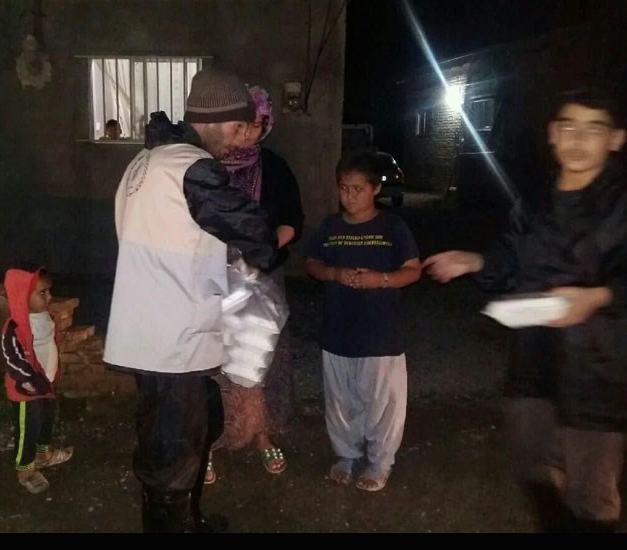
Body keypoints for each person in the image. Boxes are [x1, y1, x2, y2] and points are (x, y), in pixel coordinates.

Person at [423, 85, 627, 532]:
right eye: (569, 126)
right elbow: (511, 256)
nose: (578, 139)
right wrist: (476, 261)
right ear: (553, 133)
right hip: (533, 365)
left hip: (598, 375)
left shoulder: (620, 205)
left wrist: (598, 297)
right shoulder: (536, 200)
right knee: (533, 473)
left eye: (594, 129)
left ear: (616, 139)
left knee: (591, 498)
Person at [103, 68, 279, 533]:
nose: (239, 140)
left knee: (194, 431)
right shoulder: (192, 168)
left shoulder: (148, 161)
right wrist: (265, 244)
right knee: (171, 454)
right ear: (219, 120)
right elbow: (254, 232)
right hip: (170, 341)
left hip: (160, 331)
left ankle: (190, 522)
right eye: (239, 128)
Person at [304, 151, 421, 492]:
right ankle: (346, 455)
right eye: (344, 188)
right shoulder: (330, 226)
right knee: (341, 400)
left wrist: (381, 280)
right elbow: (311, 263)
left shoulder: (393, 227)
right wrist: (334, 273)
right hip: (338, 330)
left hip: (381, 334)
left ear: (375, 189)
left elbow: (413, 270)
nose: (350, 196)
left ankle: (380, 462)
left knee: (383, 402)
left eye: (358, 189)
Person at [206, 85, 304, 484]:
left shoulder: (274, 167)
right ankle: (208, 441)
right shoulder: (207, 166)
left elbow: (292, 220)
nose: (248, 132)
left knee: (261, 354)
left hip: (262, 275)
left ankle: (263, 434)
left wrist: (260, 250)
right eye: (243, 123)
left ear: (267, 125)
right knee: (214, 357)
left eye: (257, 124)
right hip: (214, 275)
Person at [0, 265, 73, 494]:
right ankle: (25, 469)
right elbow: (10, 358)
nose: (49, 297)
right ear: (23, 295)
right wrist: (30, 378)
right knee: (29, 427)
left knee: (46, 419)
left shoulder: (44, 317)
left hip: (46, 384)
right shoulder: (15, 327)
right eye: (42, 293)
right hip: (27, 389)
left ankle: (43, 454)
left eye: (49, 291)